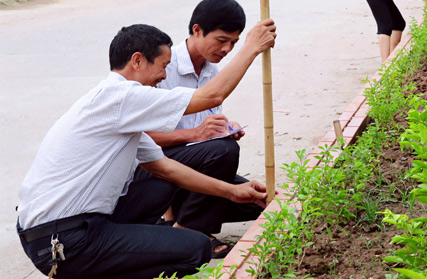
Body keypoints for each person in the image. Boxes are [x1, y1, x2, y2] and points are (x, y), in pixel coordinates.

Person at [16, 20, 276, 279]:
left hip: (62, 231)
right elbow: (211, 97)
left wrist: (233, 192)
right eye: (163, 66)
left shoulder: (116, 108)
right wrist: (251, 48)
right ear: (137, 61)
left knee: (158, 186)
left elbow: (165, 168)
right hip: (62, 241)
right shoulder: (121, 97)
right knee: (195, 249)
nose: (164, 76)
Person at [134, 0, 261, 259]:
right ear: (197, 30)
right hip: (155, 169)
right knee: (223, 151)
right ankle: (188, 232)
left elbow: (208, 122)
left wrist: (224, 128)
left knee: (256, 201)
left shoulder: (211, 71)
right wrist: (198, 134)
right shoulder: (163, 68)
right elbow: (139, 139)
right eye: (221, 40)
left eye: (234, 43)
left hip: (190, 165)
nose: (226, 50)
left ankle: (177, 219)